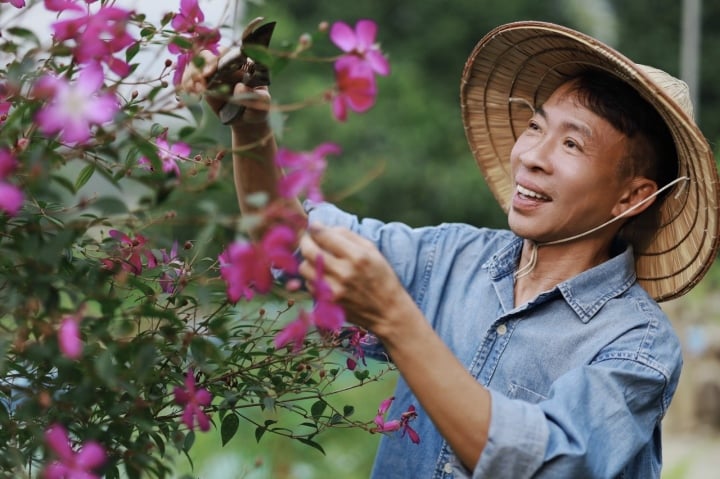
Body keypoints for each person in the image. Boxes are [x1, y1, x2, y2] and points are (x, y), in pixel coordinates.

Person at [186, 21, 720, 478]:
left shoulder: (637, 345)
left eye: (572, 143)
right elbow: (288, 249)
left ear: (632, 197)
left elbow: (544, 465)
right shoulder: (450, 258)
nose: (532, 155)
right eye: (536, 126)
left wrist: (399, 322)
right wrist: (249, 124)